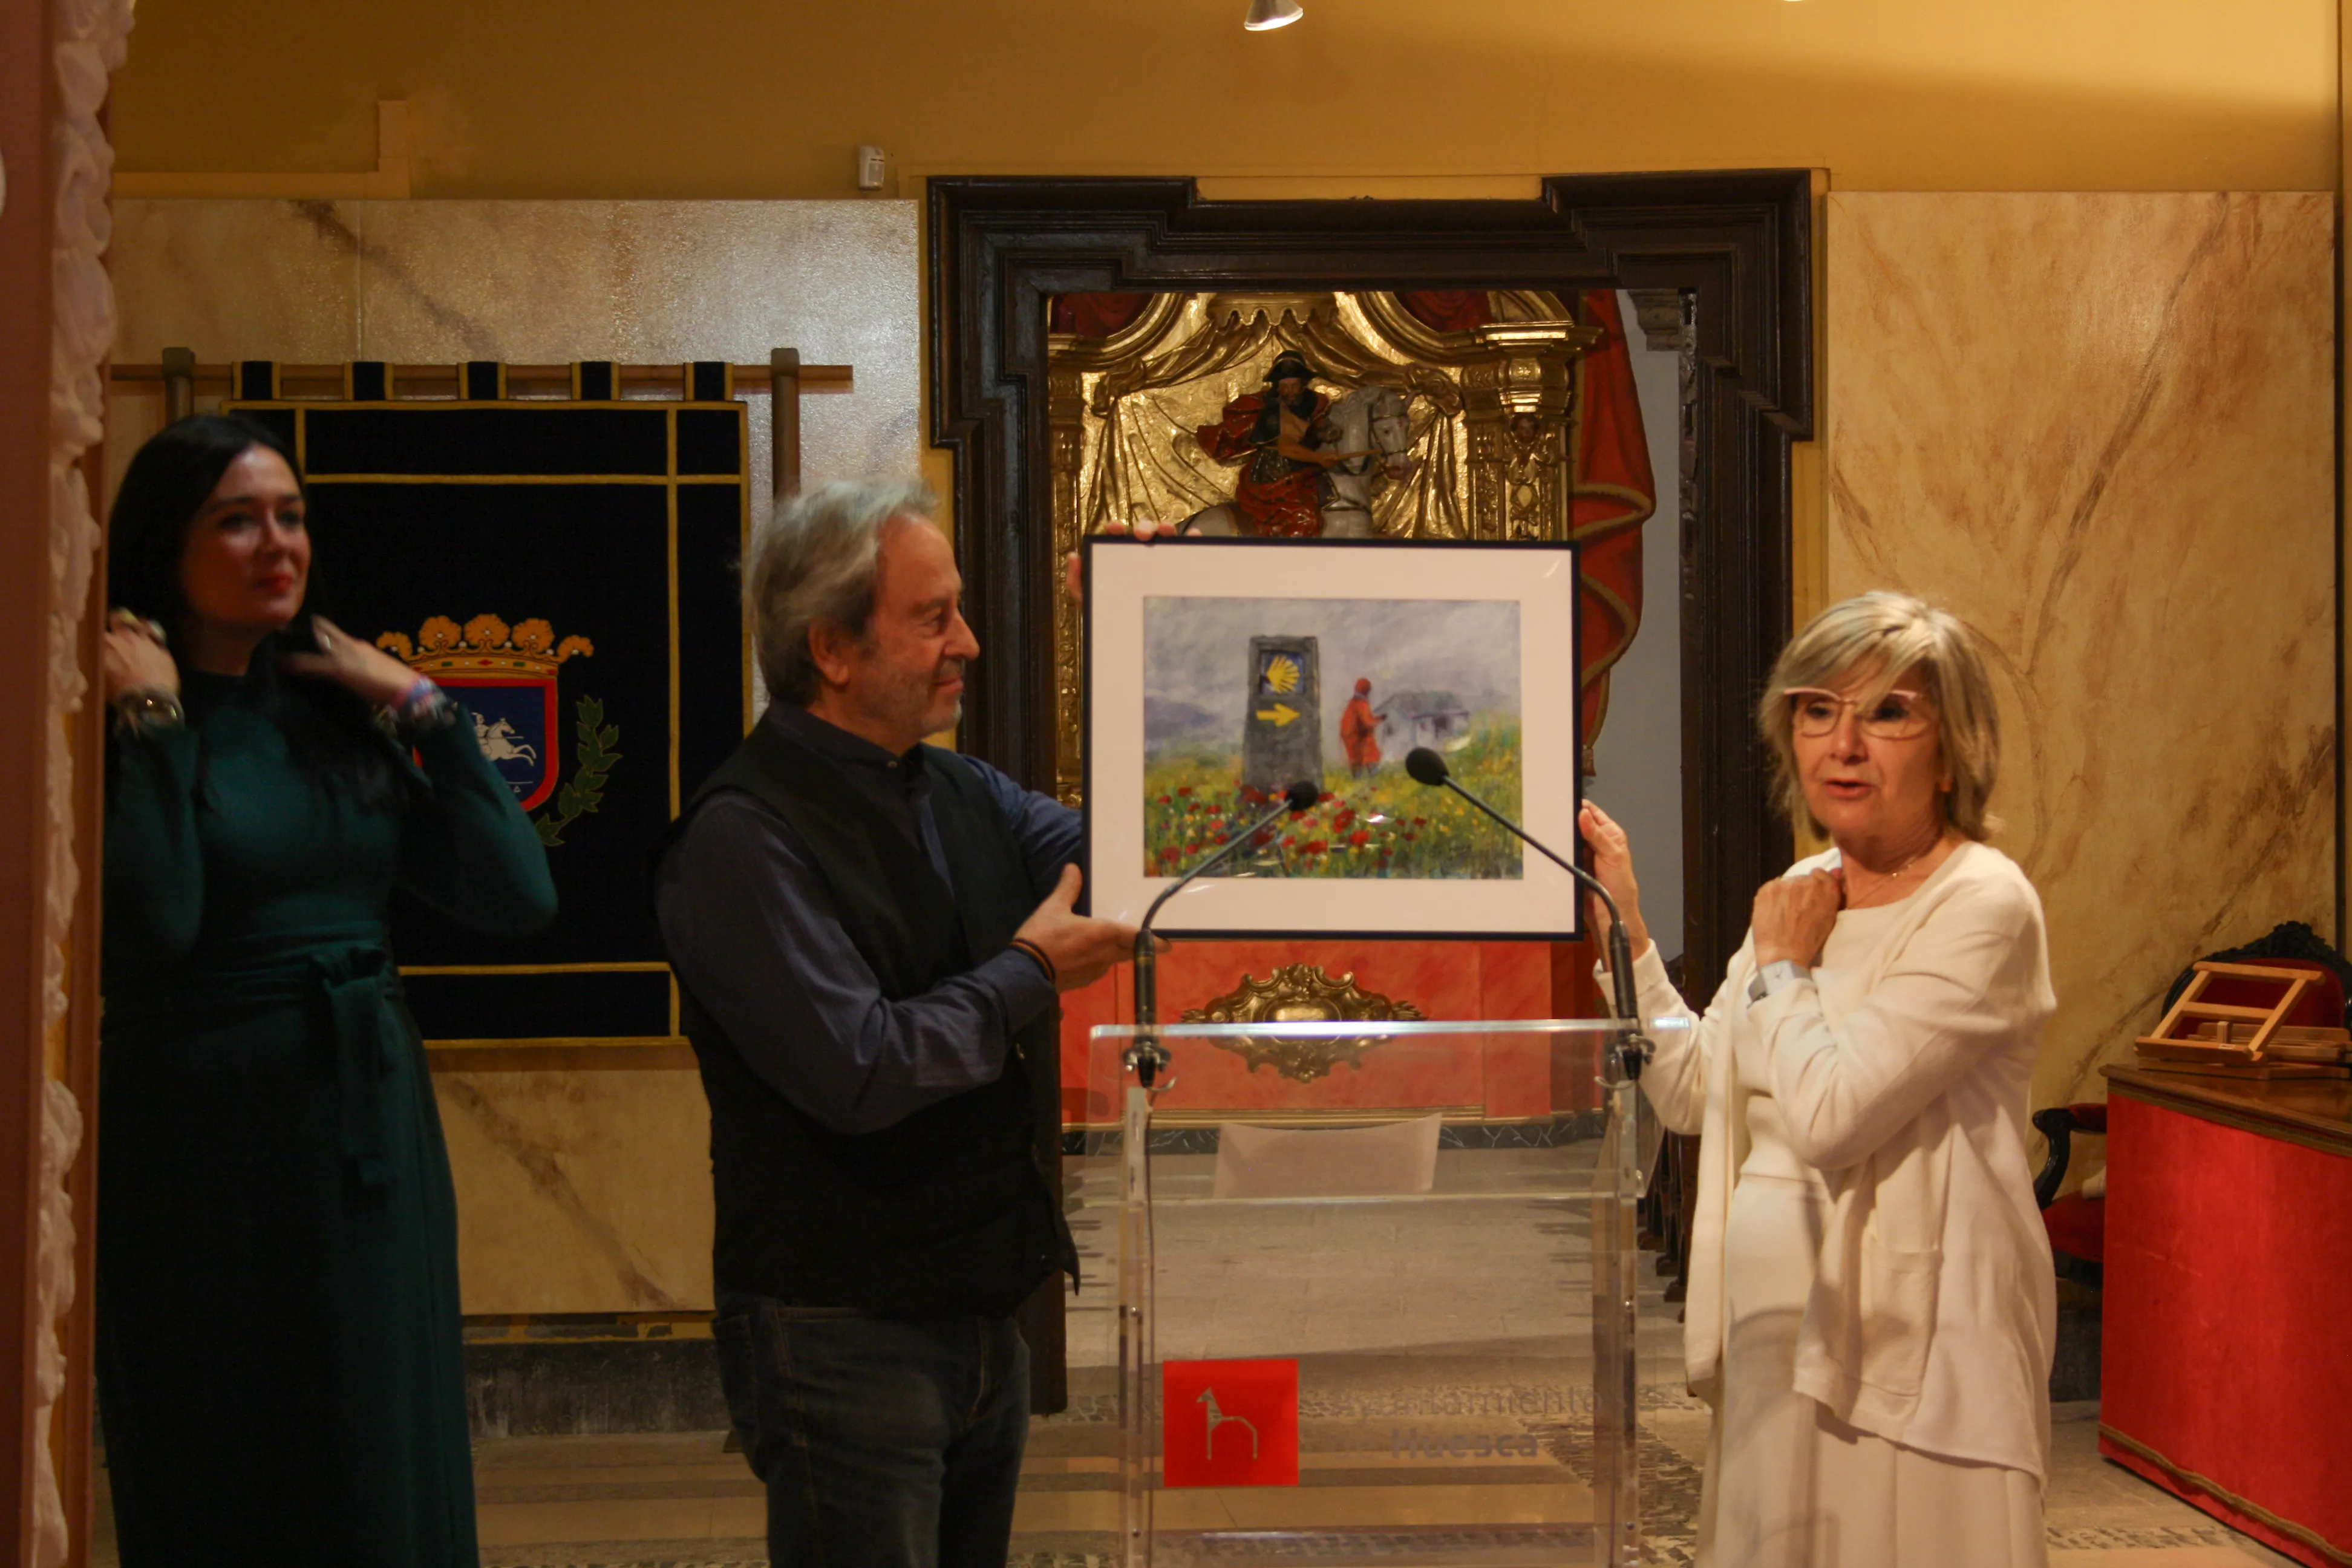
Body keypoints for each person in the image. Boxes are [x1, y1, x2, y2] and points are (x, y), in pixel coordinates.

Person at [653, 480, 1142, 1568]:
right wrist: (1026, 972)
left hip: (979, 1310)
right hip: (838, 1326)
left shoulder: (957, 786)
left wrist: (1134, 635)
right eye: (934, 618)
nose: (965, 642)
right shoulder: (742, 836)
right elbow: (861, 1067)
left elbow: (1134, 851)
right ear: (831, 649)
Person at [96, 414, 557, 1564]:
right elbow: (153, 926)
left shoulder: (334, 715)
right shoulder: (117, 713)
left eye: (291, 516)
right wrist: (150, 722)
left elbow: (517, 896)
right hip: (205, 1136)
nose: (276, 543)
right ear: (166, 543)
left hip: (367, 1130)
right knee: (234, 1448)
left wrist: (425, 707)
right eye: (237, 519)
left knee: (380, 1440)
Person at [1580, 591, 2056, 1568]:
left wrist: (1785, 968)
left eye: (1887, 712)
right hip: (1771, 1337)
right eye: (1814, 710)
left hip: (1915, 1346)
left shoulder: (1981, 902)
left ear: (1952, 746)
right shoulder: (1802, 890)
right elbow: (1692, 1090)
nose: (1843, 744)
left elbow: (1833, 1114)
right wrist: (1628, 936)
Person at [1194, 350, 1343, 536]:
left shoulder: (1309, 402)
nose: (1290, 392)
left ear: (1303, 385)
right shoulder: (1274, 412)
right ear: (1277, 387)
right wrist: (1319, 457)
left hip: (1304, 466)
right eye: (1285, 386)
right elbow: (1287, 448)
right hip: (1275, 470)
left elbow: (1315, 422)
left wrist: (1326, 430)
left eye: (1294, 386)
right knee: (1304, 517)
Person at [1341, 676, 1381, 776]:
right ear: (1366, 690)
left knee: (1355, 759)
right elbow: (1367, 722)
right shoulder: (1362, 703)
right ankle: (1374, 776)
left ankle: (1357, 779)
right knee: (1372, 753)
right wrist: (1380, 720)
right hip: (1358, 735)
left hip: (1349, 735)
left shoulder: (1353, 702)